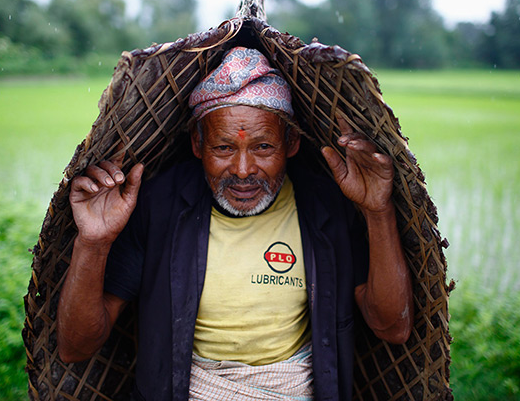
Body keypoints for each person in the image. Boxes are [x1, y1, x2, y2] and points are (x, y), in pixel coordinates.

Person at [57, 47, 413, 401]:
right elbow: (76, 348)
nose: (243, 170)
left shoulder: (325, 208)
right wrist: (94, 242)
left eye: (262, 147)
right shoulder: (158, 207)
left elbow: (393, 327)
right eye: (224, 148)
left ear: (291, 142)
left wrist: (377, 211)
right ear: (197, 144)